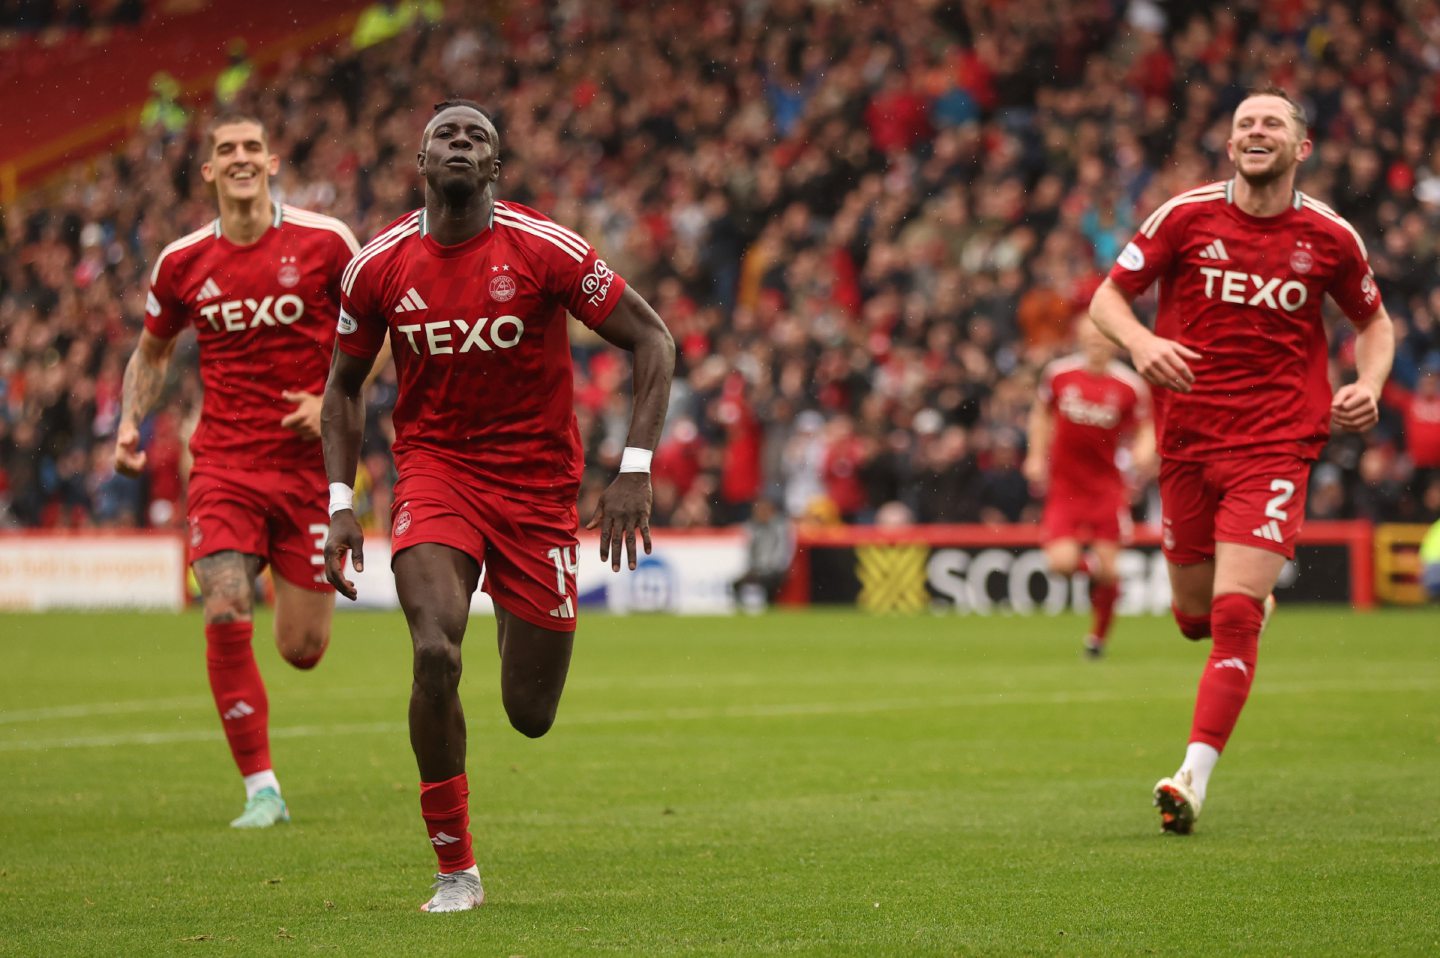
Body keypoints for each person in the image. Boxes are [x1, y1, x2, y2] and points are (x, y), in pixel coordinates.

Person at [321, 99, 675, 912]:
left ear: (495, 168)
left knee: (530, 713)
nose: (459, 143)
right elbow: (341, 389)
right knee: (435, 655)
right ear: (421, 161)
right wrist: (340, 502)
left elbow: (654, 340)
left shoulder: (544, 247)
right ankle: (455, 868)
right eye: (445, 134)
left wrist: (636, 467)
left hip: (537, 488)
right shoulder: (376, 265)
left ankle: (517, 602)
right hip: (435, 473)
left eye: (476, 136)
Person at [1089, 87, 1394, 834]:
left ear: (1301, 148)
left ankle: (1192, 777)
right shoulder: (1184, 216)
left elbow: (1375, 322)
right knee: (1195, 617)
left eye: (1272, 124)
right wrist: (1141, 343)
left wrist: (1371, 383)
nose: (1257, 132)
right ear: (1230, 147)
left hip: (1277, 444)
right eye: (1245, 124)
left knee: (1231, 615)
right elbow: (1107, 298)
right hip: (1187, 443)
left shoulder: (1329, 236)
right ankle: (1246, 604)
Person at [115, 113, 361, 827]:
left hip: (311, 471)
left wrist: (331, 398)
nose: (241, 157)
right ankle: (261, 788)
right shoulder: (182, 261)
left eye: (252, 147)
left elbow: (378, 331)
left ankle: (274, 584)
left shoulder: (325, 242)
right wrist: (132, 422)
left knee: (302, 648)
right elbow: (153, 353)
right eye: (227, 150)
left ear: (274, 161)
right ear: (209, 171)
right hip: (223, 462)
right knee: (223, 606)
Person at [1025, 316, 1155, 657]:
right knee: (1061, 564)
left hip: (1106, 489)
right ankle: (1093, 572)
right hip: (1065, 488)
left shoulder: (1129, 386)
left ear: (1114, 343)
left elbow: (1145, 429)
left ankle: (1097, 640)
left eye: (1102, 340)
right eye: (1090, 339)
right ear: (1079, 339)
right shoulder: (1059, 375)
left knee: (1110, 571)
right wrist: (1036, 455)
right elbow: (1040, 415)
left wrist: (1143, 451)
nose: (1096, 345)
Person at [731, 497, 796, 612]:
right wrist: (753, 568)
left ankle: (769, 609)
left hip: (775, 570)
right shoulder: (753, 528)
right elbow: (750, 551)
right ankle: (740, 610)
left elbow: (782, 552)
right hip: (758, 569)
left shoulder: (780, 527)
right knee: (736, 583)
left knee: (769, 582)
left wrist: (771, 568)